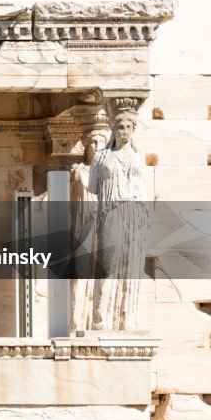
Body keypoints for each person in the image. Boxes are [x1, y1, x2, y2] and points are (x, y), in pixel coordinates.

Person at [88, 109, 149, 331]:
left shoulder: (138, 157)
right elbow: (93, 187)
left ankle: (127, 319)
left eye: (128, 127)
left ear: (133, 130)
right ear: (114, 130)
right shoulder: (101, 157)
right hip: (110, 211)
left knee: (131, 266)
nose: (124, 131)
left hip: (134, 213)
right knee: (107, 265)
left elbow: (143, 190)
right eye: (120, 127)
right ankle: (99, 319)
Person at [69, 130, 108, 332]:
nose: (97, 145)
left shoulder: (108, 173)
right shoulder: (77, 171)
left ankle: (97, 321)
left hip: (102, 226)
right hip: (81, 226)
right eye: (93, 141)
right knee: (79, 275)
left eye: (101, 141)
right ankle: (75, 322)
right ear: (86, 145)